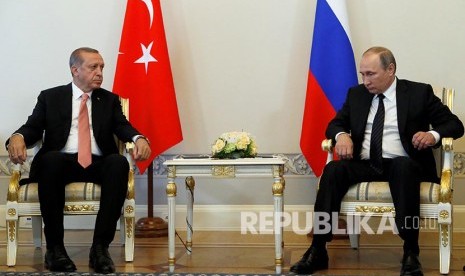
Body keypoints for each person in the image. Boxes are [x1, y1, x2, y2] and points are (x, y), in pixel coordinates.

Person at [291, 46, 464, 276]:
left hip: (403, 163)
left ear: (390, 69)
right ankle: (318, 249)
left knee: (403, 166)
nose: (365, 80)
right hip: (365, 163)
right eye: (362, 74)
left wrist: (432, 136)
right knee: (332, 170)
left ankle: (411, 251)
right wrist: (341, 135)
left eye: (370, 74)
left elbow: (455, 125)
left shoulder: (418, 93)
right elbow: (334, 124)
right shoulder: (357, 94)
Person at [6, 47, 151, 274]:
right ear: (75, 70)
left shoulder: (109, 100)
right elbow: (32, 126)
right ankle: (55, 250)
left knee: (118, 163)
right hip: (61, 162)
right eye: (93, 67)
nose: (100, 72)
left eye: (102, 67)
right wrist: (18, 136)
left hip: (96, 162)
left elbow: (122, 126)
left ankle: (100, 249)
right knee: (51, 160)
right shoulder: (50, 97)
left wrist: (139, 138)